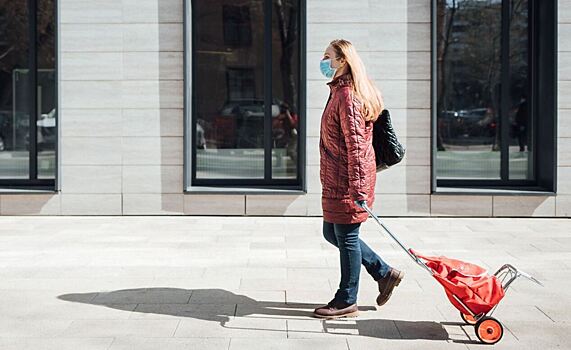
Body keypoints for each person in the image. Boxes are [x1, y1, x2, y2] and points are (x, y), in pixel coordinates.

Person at [314, 39, 403, 319]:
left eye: (327, 56)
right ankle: (383, 272)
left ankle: (345, 299)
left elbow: (356, 146)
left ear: (342, 61)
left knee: (347, 238)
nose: (323, 61)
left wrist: (357, 189)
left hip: (346, 181)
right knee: (332, 233)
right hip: (338, 178)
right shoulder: (339, 91)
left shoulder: (346, 96)